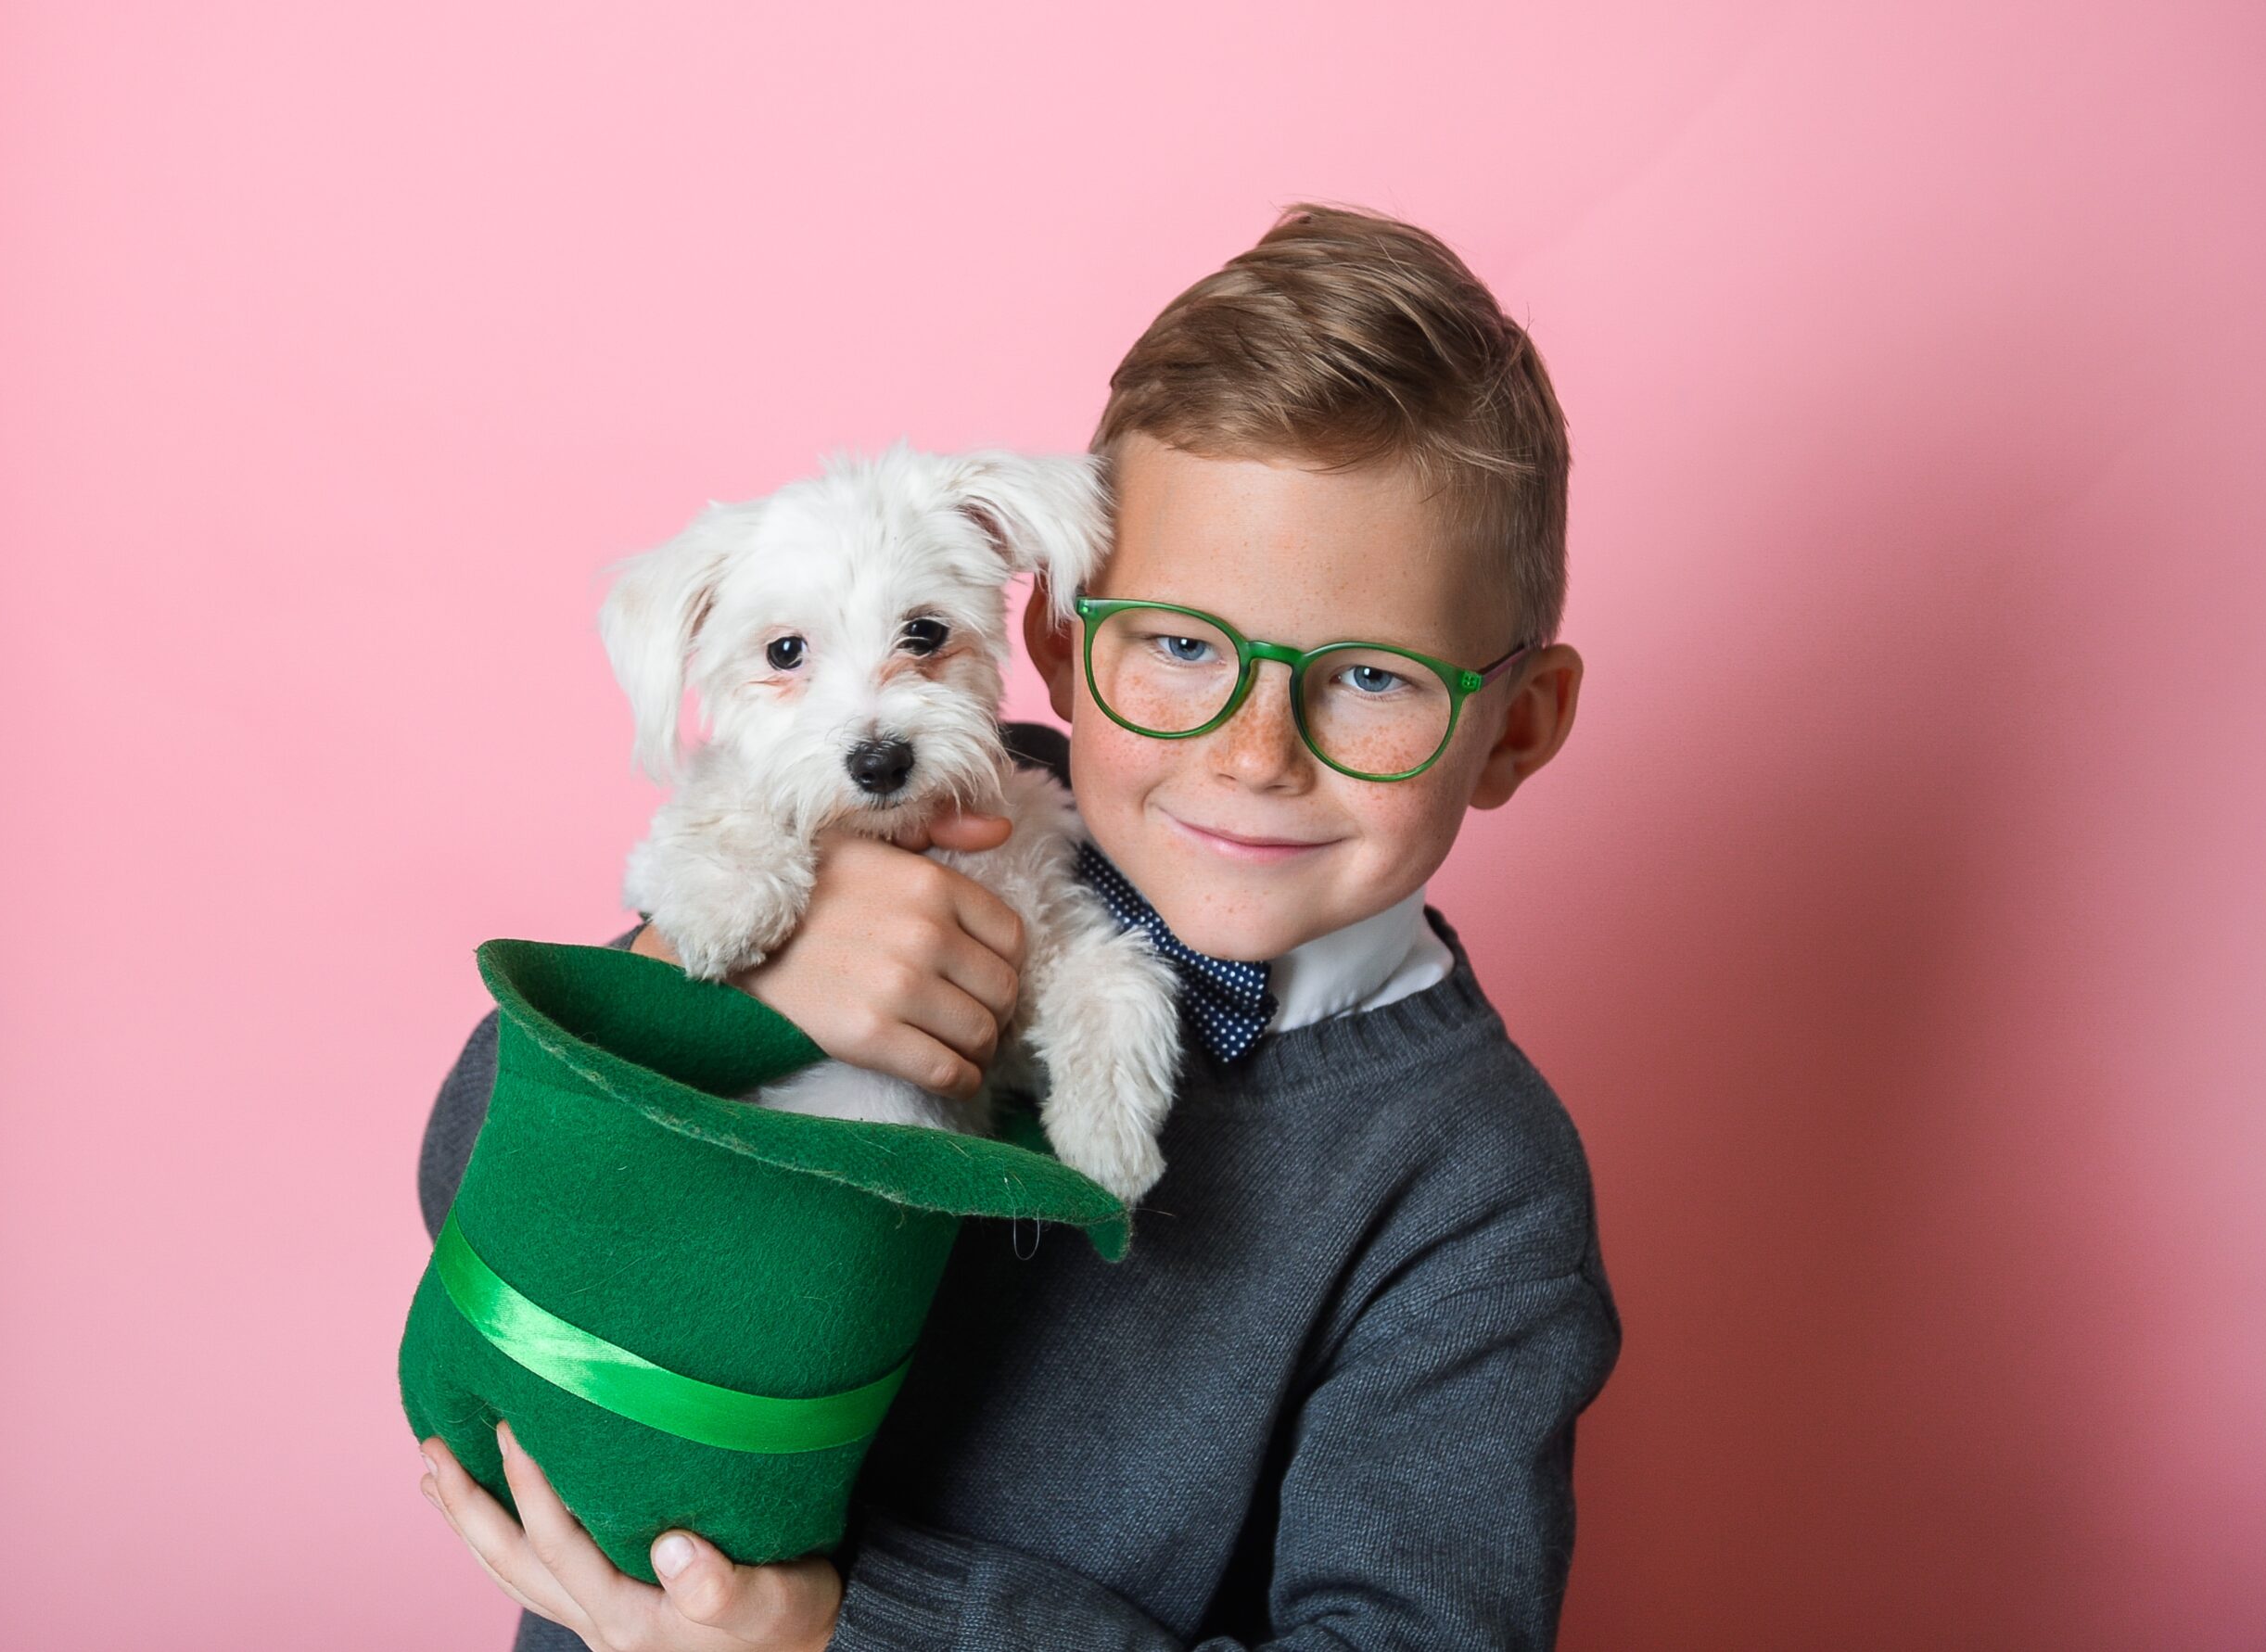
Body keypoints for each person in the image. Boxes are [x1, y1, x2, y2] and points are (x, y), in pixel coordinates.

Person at [415, 201, 1622, 1651]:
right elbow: (462, 1166)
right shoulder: (886, 829)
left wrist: (837, 1629)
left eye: (1371, 676)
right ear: (1052, 635)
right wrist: (727, 983)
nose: (1255, 755)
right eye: (1180, 644)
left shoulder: (1480, 1194)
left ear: (1518, 727)